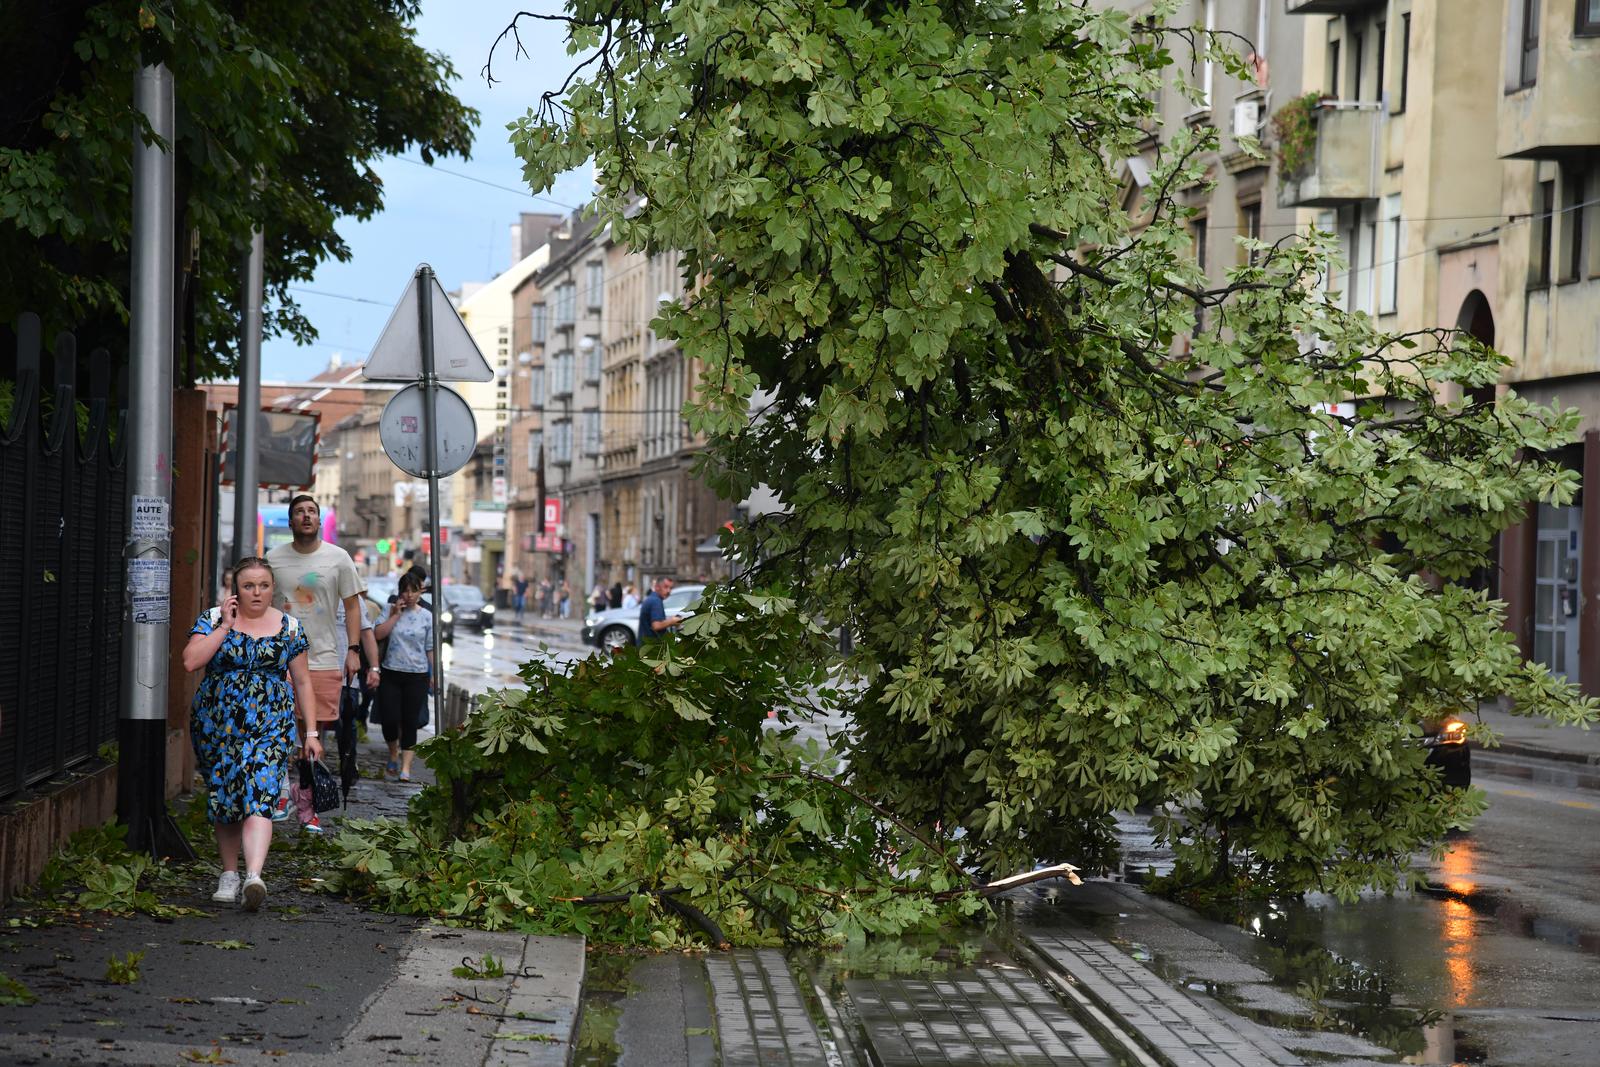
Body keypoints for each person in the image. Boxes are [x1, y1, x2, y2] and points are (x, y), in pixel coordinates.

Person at [183, 557, 319, 911]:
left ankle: (254, 877)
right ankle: (229, 874)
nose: (256, 592)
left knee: (261, 791)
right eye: (248, 586)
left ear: (273, 589)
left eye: (263, 585)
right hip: (219, 726)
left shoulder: (290, 627)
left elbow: (303, 682)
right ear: (236, 591)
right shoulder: (213, 619)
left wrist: (311, 732)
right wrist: (226, 627)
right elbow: (191, 661)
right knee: (226, 796)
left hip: (271, 725)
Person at [267, 495, 378, 834]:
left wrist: (354, 650)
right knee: (281, 728)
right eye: (300, 512)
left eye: (312, 511)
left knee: (313, 737)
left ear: (318, 520)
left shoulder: (339, 558)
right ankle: (282, 792)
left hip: (324, 657)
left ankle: (306, 804)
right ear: (291, 521)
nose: (306, 516)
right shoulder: (273, 559)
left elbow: (353, 607)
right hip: (280, 658)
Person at [373, 569, 434, 783]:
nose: (409, 595)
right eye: (405, 591)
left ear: (420, 592)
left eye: (413, 591)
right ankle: (393, 753)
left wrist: (434, 674)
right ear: (399, 592)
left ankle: (406, 768)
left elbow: (430, 648)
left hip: (417, 675)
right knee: (389, 719)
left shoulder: (427, 616)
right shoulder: (390, 609)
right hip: (391, 673)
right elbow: (377, 634)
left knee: (410, 721)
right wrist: (395, 615)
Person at [637, 577, 686, 642]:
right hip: (651, 645)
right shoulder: (655, 601)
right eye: (665, 587)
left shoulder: (652, 598)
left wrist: (671, 620)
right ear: (657, 587)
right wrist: (672, 621)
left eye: (671, 588)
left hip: (646, 643)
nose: (668, 591)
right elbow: (656, 625)